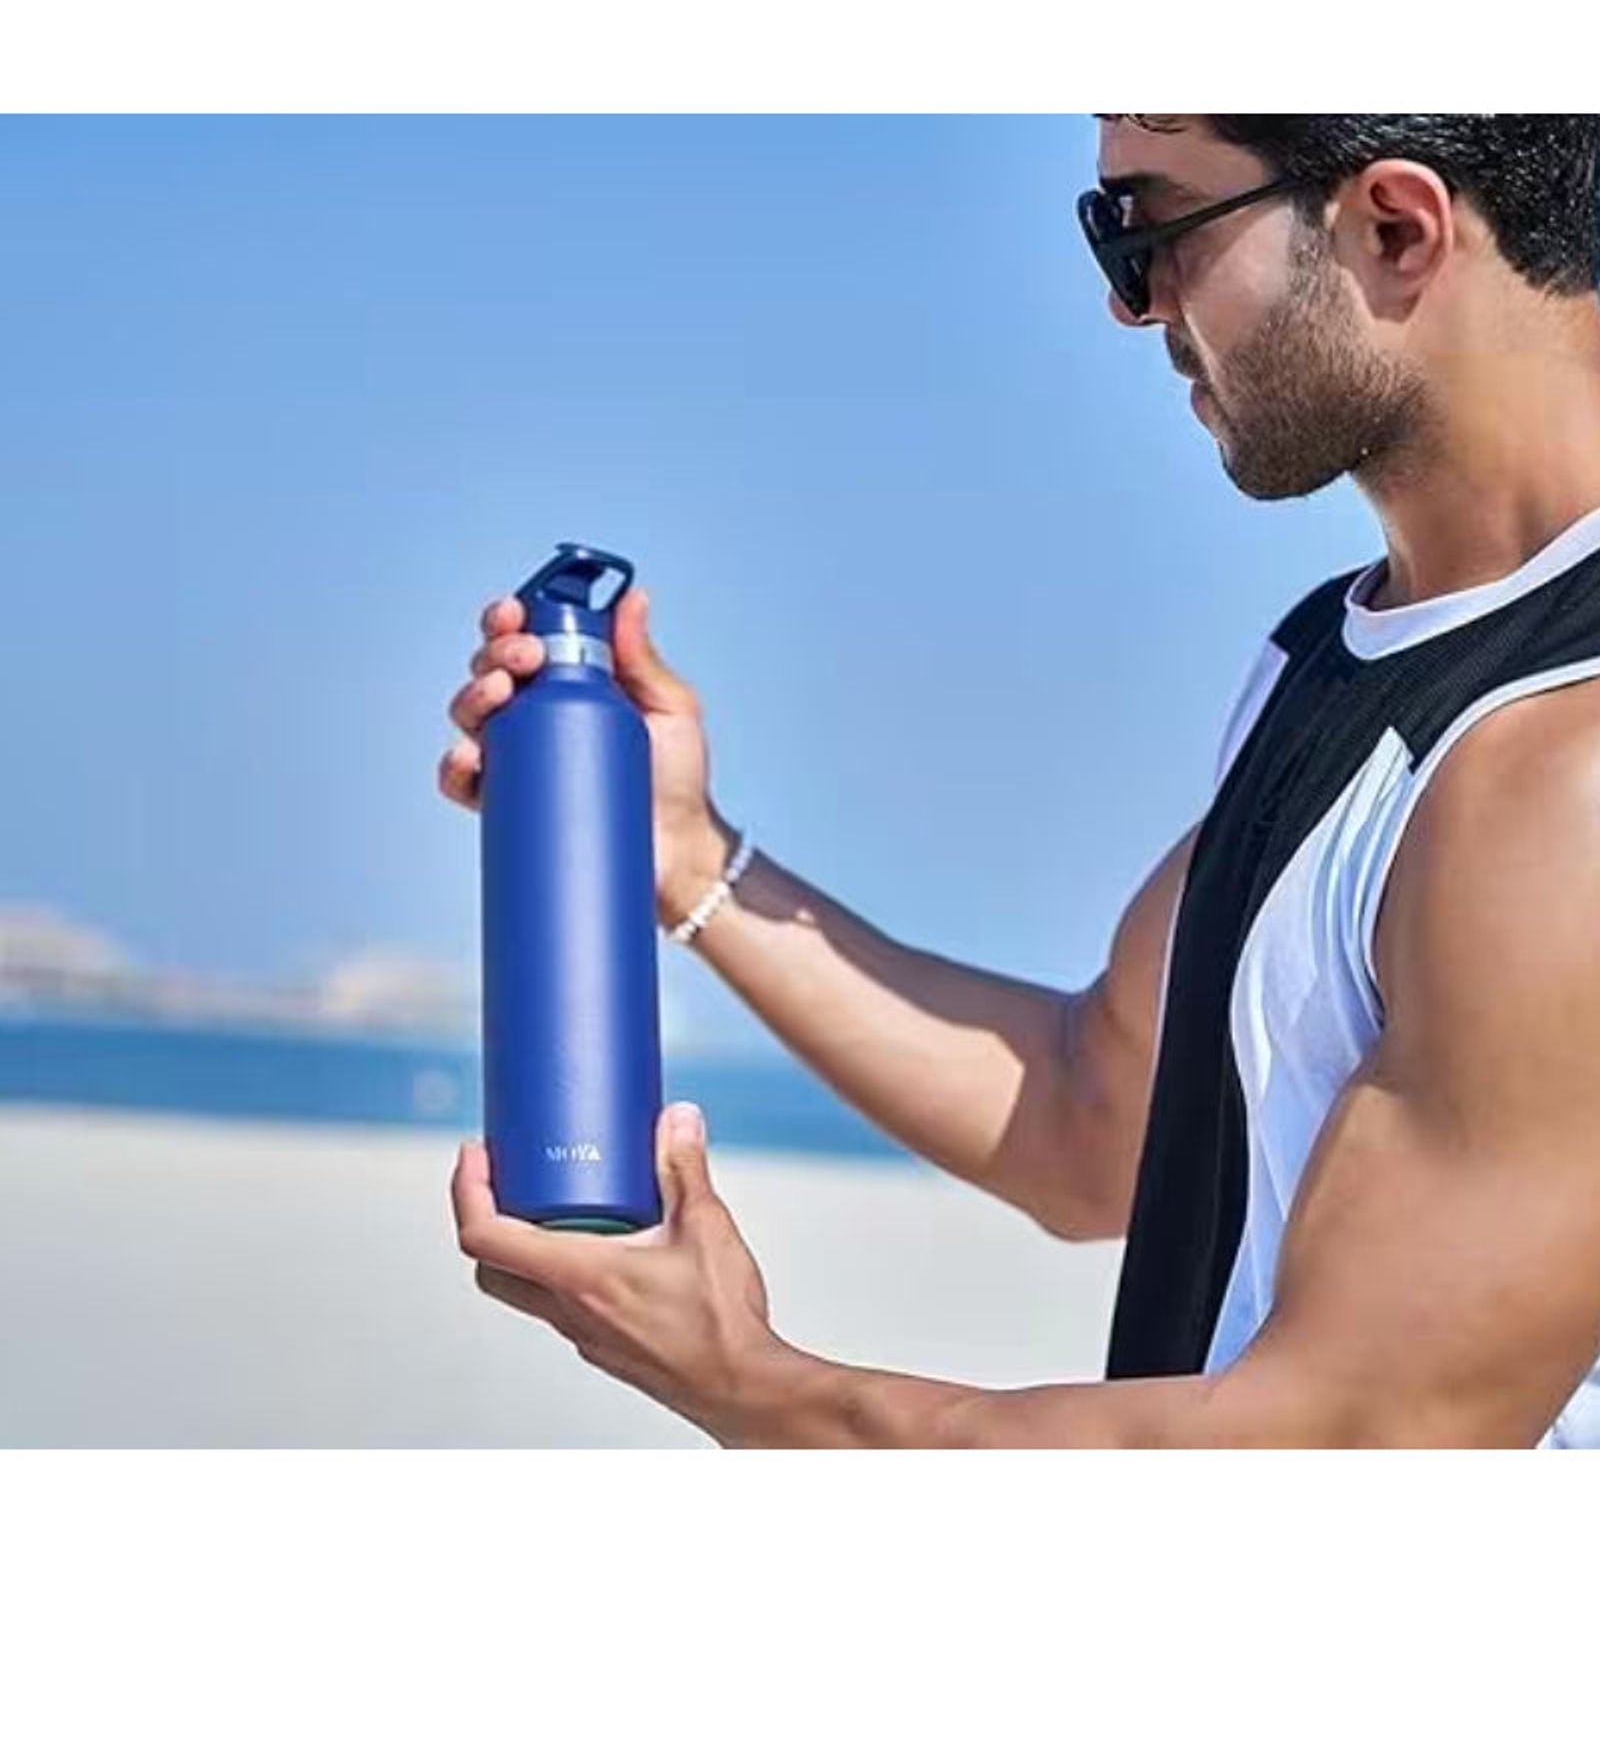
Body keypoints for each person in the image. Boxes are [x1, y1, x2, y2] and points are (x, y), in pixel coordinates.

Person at [439, 114, 1600, 1448]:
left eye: (1147, 231)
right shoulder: (1343, 658)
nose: (1131, 305)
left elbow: (1357, 1441)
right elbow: (1086, 1115)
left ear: (1394, 229)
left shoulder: (1564, 762)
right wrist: (691, 858)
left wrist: (748, 1385)